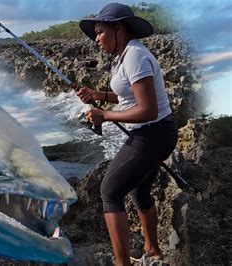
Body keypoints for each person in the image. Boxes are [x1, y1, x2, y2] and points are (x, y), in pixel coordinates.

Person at [76, 3, 178, 265]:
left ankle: (122, 263)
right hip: (158, 132)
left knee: (109, 191)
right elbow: (129, 96)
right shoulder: (126, 55)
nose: (96, 39)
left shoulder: (135, 56)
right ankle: (153, 250)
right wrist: (99, 96)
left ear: (118, 28)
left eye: (100, 32)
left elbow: (147, 110)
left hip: (152, 133)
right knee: (138, 191)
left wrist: (105, 115)